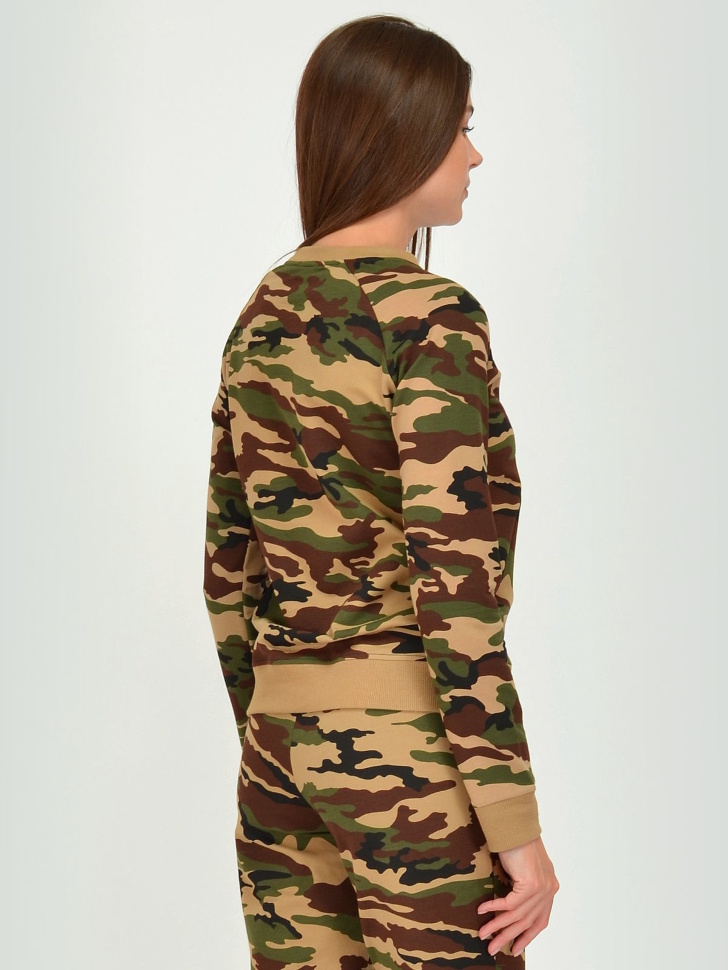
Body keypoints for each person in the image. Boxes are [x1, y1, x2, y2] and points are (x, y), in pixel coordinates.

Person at [203, 13, 559, 969]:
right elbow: (456, 586)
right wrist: (514, 825)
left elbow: (227, 568)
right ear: (402, 132)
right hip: (412, 755)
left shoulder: (261, 314)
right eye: (460, 128)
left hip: (279, 753)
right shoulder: (432, 317)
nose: (474, 155)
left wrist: (277, 727)